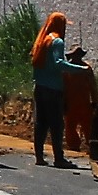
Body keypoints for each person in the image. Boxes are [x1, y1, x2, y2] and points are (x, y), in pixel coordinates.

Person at [30, 11, 75, 168]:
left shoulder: (42, 40)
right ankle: (59, 158)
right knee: (56, 124)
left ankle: (39, 157)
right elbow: (58, 63)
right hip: (53, 90)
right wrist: (81, 69)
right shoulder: (57, 42)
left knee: (40, 123)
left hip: (39, 88)